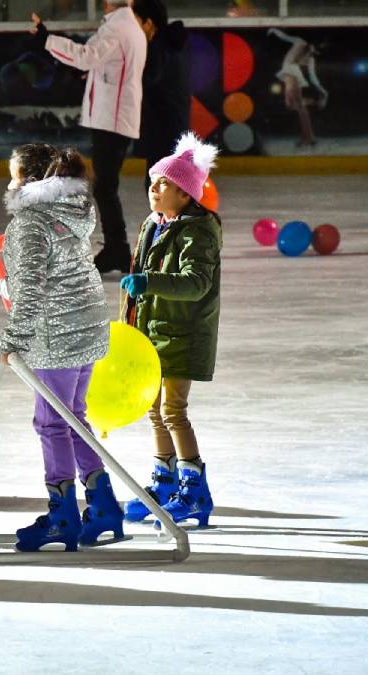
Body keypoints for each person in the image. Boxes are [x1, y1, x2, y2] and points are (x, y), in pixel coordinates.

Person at [0, 143, 118, 552]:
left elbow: (31, 289)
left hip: (57, 336)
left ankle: (62, 515)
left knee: (52, 423)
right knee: (73, 417)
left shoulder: (30, 222)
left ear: (30, 181)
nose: (9, 184)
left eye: (14, 177)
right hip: (87, 328)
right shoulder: (74, 210)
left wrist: (14, 338)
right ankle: (103, 505)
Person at [120, 132, 221, 528]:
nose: (154, 188)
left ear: (185, 194)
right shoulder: (153, 224)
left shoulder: (198, 231)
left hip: (183, 334)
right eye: (153, 181)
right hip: (151, 332)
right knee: (153, 409)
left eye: (164, 184)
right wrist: (129, 325)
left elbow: (196, 283)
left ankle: (194, 491)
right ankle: (164, 482)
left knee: (172, 410)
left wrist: (150, 282)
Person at [31, 0, 147, 273]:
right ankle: (117, 247)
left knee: (106, 187)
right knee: (106, 186)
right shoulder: (124, 26)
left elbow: (86, 56)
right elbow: (102, 63)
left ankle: (118, 249)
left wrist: (47, 40)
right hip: (115, 117)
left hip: (113, 120)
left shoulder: (118, 28)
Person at [131, 0, 190, 193]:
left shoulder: (159, 50)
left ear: (148, 23)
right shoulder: (168, 45)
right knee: (160, 186)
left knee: (160, 187)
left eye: (135, 21)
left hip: (164, 130)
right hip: (169, 128)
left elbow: (144, 82)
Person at [269, 28, 327, 147]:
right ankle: (316, 103)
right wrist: (274, 30)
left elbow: (313, 76)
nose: (313, 52)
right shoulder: (300, 42)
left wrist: (321, 89)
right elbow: (285, 37)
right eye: (314, 49)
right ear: (312, 44)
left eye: (316, 52)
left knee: (299, 107)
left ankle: (308, 138)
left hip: (293, 75)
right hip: (288, 76)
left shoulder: (311, 59)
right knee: (290, 105)